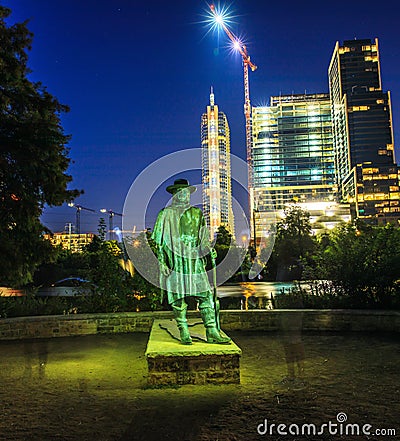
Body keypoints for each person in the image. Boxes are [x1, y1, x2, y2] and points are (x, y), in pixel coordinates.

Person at [152, 178, 231, 345]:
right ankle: (184, 330)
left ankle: (211, 331)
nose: (184, 196)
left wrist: (209, 250)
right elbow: (159, 242)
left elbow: (203, 240)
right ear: (174, 194)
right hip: (176, 261)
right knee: (178, 296)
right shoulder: (165, 214)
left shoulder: (197, 214)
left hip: (194, 260)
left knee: (206, 295)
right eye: (181, 192)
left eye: (186, 192)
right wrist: (162, 262)